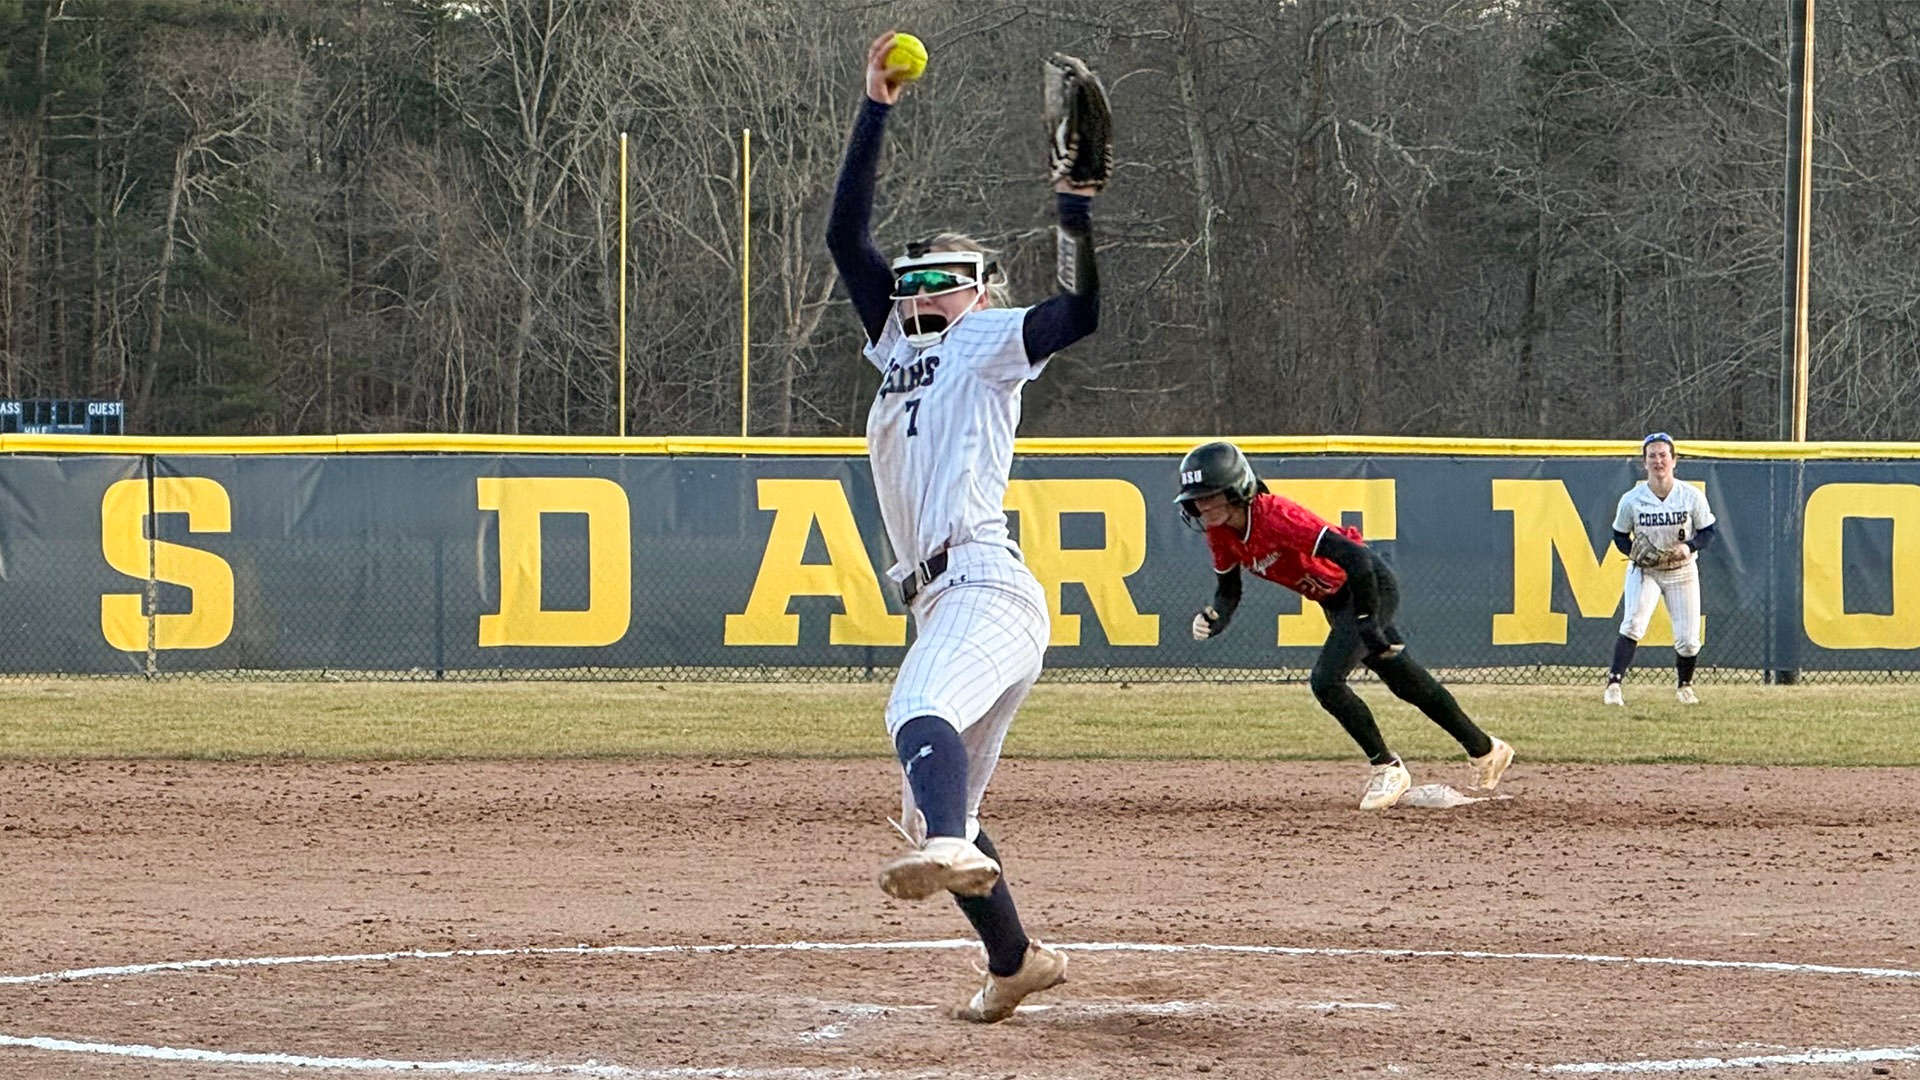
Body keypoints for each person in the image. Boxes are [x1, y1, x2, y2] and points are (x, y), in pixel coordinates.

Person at [825, 31, 1102, 1023]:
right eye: (919, 274)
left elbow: (1078, 314)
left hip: (983, 583)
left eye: (951, 273)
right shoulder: (898, 344)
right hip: (938, 596)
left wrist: (1073, 214)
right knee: (940, 805)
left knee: (914, 715)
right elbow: (844, 237)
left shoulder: (989, 340)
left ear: (983, 291)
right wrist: (876, 105)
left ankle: (946, 847)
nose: (927, 284)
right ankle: (1016, 960)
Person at [1175, 441, 1514, 810]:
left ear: (1236, 489)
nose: (1200, 506)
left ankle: (1388, 767)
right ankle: (1486, 750)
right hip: (1336, 599)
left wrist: (1369, 620)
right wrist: (1215, 618)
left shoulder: (1276, 516)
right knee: (1405, 680)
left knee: (1326, 681)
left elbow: (1357, 558)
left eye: (1208, 496)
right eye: (1195, 499)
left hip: (1368, 586)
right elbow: (1228, 591)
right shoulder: (1220, 532)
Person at [1604, 432, 1718, 705]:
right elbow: (1619, 535)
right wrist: (1632, 552)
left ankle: (1684, 686)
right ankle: (1613, 685)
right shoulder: (1632, 499)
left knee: (1689, 640)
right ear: (1644, 463)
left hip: (1682, 570)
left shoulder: (1690, 495)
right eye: (1652, 456)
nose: (1658, 461)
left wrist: (1689, 547)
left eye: (1663, 455)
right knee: (1633, 623)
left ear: (1674, 460)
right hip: (1647, 570)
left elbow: (1708, 531)